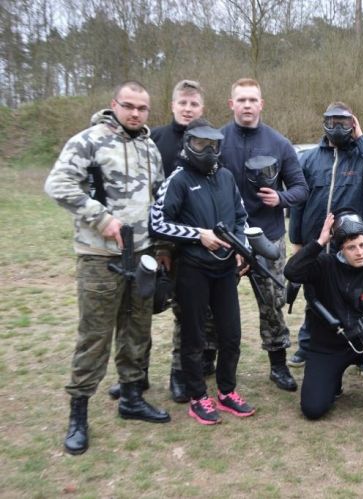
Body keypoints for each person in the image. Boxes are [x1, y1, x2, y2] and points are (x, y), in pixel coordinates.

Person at [45, 81, 171, 456]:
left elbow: (159, 198)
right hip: (100, 257)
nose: (135, 113)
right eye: (128, 105)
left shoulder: (149, 147)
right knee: (95, 336)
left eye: (142, 108)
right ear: (114, 104)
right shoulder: (88, 141)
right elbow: (58, 184)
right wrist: (101, 218)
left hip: (142, 254)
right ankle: (78, 413)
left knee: (137, 329)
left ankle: (131, 397)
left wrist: (163, 246)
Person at [107, 79, 215, 403]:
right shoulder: (152, 140)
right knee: (139, 311)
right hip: (151, 240)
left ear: (202, 108)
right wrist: (160, 245)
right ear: (172, 105)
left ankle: (179, 375)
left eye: (193, 104)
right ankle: (135, 375)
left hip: (191, 241)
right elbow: (150, 196)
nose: (187, 109)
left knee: (186, 312)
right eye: (182, 103)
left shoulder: (209, 142)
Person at [150, 118, 255, 425]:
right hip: (192, 270)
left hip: (225, 270)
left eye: (213, 145)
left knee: (231, 335)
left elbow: (241, 217)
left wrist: (241, 247)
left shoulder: (226, 176)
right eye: (200, 144)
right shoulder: (178, 179)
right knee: (193, 337)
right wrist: (198, 235)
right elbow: (157, 223)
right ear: (188, 145)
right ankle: (198, 397)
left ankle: (227, 392)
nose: (207, 151)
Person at [284, 211, 363, 432]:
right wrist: (319, 242)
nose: (359, 252)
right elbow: (291, 271)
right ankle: (332, 383)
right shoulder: (324, 264)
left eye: (362, 245)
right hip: (328, 345)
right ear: (340, 250)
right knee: (313, 409)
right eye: (351, 247)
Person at [287, 102, 363, 372]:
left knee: (355, 296)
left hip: (349, 242)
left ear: (352, 124)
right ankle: (307, 344)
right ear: (324, 123)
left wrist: (360, 136)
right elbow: (298, 201)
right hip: (317, 240)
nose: (337, 128)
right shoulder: (309, 159)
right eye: (332, 122)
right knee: (314, 295)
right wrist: (297, 241)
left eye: (343, 122)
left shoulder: (359, 157)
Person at [220, 77, 309, 392]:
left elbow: (301, 188)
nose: (247, 105)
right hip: (226, 237)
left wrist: (280, 198)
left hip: (267, 236)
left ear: (261, 104)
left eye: (252, 100)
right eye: (241, 99)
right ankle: (207, 358)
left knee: (272, 303)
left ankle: (278, 364)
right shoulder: (217, 141)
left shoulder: (279, 143)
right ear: (232, 104)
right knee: (214, 303)